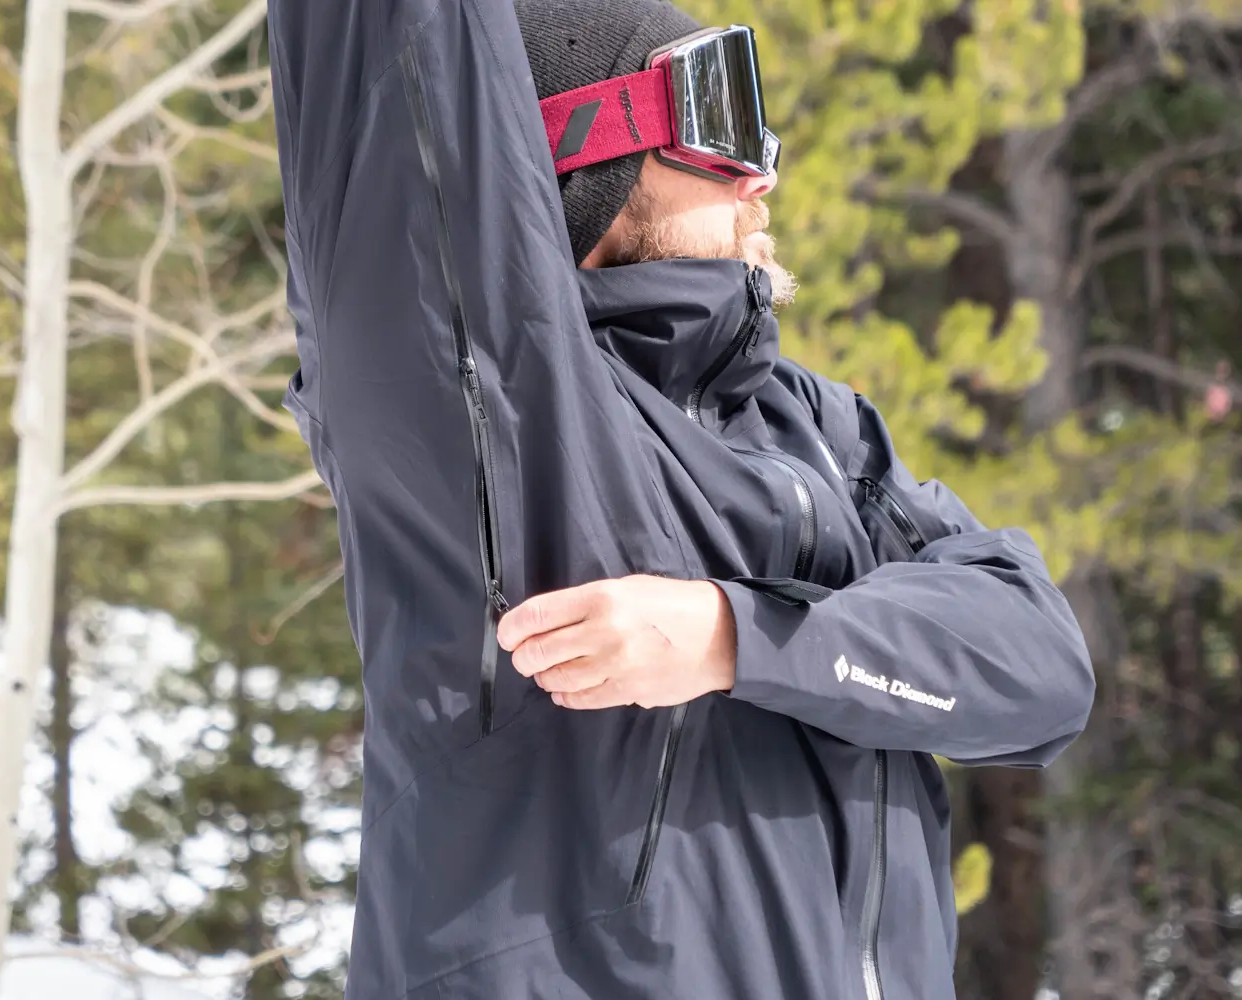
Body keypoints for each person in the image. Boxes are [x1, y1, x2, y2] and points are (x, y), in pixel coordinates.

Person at [267, 0, 1095, 997]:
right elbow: (395, 62)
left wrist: (735, 636)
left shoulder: (821, 432)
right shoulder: (481, 403)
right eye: (719, 113)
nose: (763, 174)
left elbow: (1041, 667)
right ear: (575, 155)